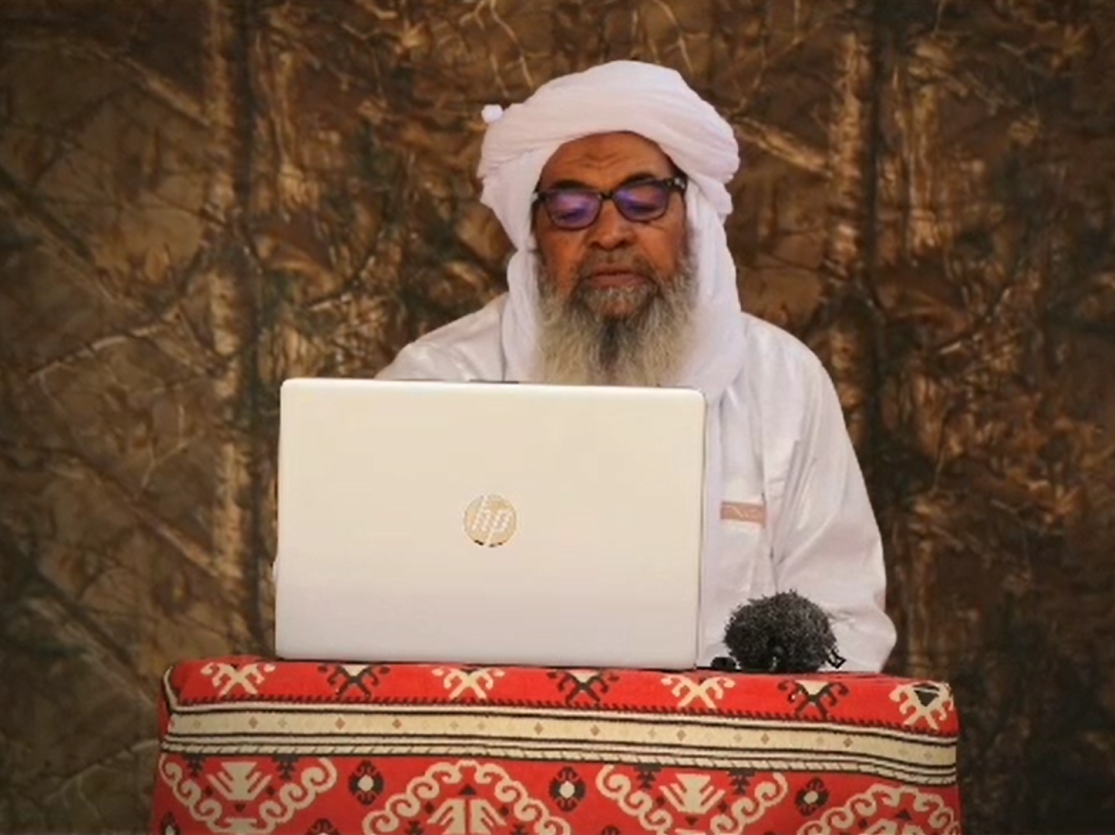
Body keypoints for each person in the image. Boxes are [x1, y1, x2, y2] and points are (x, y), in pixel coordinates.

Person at [377, 60, 896, 672]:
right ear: (535, 233)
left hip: (721, 732)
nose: (610, 233)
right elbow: (360, 595)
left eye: (643, 200)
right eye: (571, 207)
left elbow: (846, 625)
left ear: (691, 219)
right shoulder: (438, 380)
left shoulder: (783, 384)